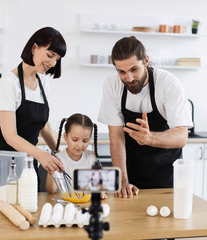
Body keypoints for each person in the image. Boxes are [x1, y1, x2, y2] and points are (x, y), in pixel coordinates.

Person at [98, 36, 193, 198]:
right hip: (131, 177)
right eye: (122, 72)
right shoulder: (112, 85)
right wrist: (122, 182)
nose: (129, 78)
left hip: (166, 177)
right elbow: (116, 137)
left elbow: (181, 136)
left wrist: (150, 138)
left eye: (134, 69)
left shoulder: (168, 83)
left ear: (146, 61)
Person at [0, 27, 66, 194]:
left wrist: (60, 152)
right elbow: (10, 136)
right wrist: (42, 155)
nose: (53, 63)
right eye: (50, 55)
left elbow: (43, 124)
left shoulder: (43, 82)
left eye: (57, 59)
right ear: (34, 48)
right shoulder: (8, 82)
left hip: (27, 164)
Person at [45, 113, 107, 199]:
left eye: (85, 141)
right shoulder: (58, 159)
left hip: (87, 204)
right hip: (65, 204)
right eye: (75, 140)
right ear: (65, 136)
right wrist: (50, 173)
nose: (79, 145)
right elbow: (51, 190)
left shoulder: (91, 157)